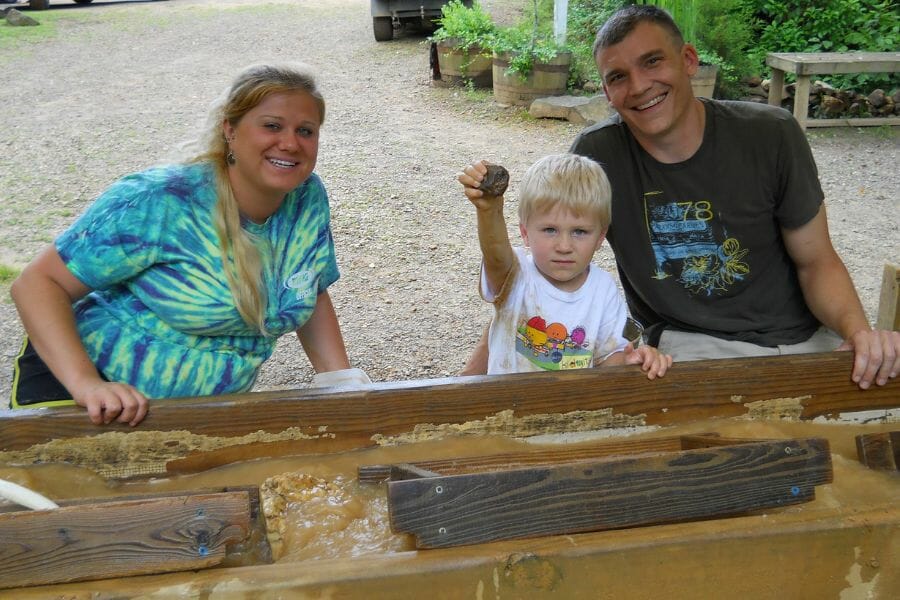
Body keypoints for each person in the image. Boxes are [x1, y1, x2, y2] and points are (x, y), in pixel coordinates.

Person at [10, 62, 367, 427]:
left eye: (305, 130)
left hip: (194, 414)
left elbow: (308, 287)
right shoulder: (161, 200)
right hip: (86, 398)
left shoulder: (306, 197)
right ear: (230, 129)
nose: (290, 143)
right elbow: (37, 284)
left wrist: (340, 382)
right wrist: (86, 384)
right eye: (272, 126)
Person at [567, 4, 897, 388]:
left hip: (805, 341)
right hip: (686, 349)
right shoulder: (597, 155)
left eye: (653, 61)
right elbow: (553, 258)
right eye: (619, 77)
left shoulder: (772, 134)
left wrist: (858, 334)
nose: (639, 86)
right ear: (607, 92)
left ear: (688, 60)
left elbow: (816, 261)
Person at [458, 153, 672, 377]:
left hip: (571, 409)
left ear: (600, 237)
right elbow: (496, 255)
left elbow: (609, 359)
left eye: (579, 232)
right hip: (505, 407)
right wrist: (489, 210)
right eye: (550, 230)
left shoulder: (603, 289)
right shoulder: (515, 274)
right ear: (524, 233)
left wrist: (632, 360)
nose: (564, 246)